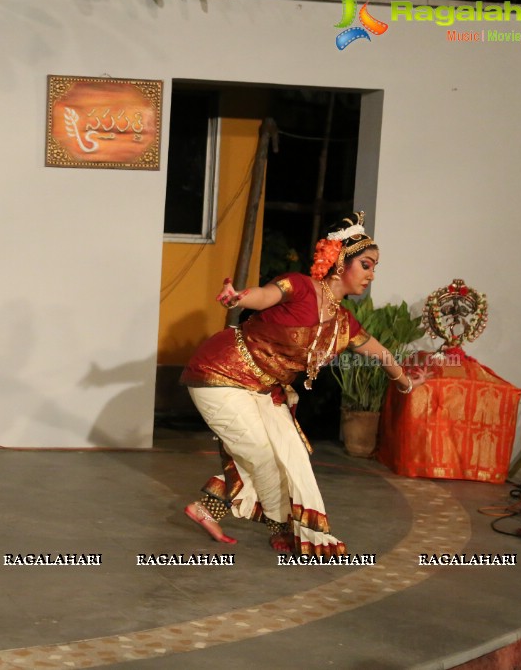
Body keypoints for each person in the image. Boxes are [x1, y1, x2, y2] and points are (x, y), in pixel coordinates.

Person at [180, 212, 426, 556]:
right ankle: (281, 528)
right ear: (341, 264)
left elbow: (381, 353)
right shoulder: (300, 287)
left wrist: (404, 383)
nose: (371, 275)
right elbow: (264, 296)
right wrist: (239, 298)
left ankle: (206, 509)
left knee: (289, 456)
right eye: (367, 265)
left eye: (374, 268)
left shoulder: (343, 323)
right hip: (222, 373)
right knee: (263, 455)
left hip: (265, 389)